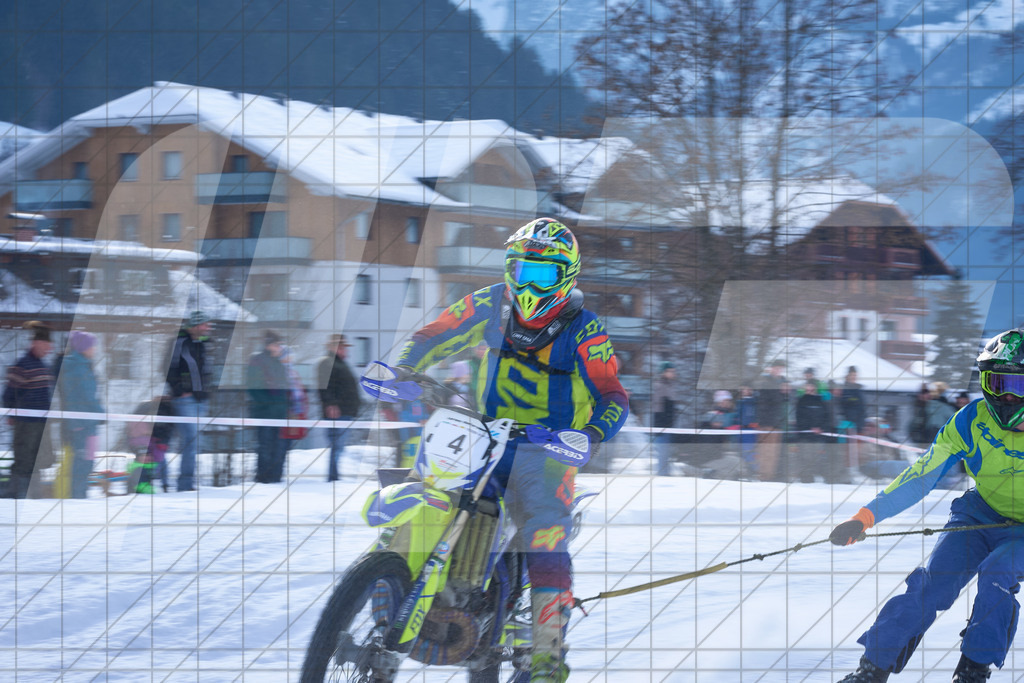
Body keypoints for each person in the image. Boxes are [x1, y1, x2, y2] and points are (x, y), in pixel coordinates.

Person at [393, 217, 628, 682]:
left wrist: (592, 434)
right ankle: (389, 580)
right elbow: (435, 334)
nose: (527, 284)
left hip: (549, 448)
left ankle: (546, 654)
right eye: (521, 270)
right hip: (482, 433)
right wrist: (403, 368)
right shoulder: (490, 304)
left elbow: (613, 396)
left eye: (540, 275)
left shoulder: (585, 330)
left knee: (544, 533)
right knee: (425, 486)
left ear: (565, 278)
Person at [832, 327, 1024, 682]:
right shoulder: (971, 420)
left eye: (1018, 387)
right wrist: (865, 517)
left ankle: (972, 671)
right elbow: (922, 474)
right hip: (979, 515)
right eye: (998, 384)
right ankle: (871, 670)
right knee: (934, 584)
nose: (1007, 398)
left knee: (997, 573)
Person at [3, 321, 55, 498]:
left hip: (40, 423)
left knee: (37, 461)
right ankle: (18, 497)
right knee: (24, 461)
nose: (48, 349)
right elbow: (9, 394)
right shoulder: (22, 365)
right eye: (46, 345)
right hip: (25, 424)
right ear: (36, 343)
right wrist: (11, 413)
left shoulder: (44, 366)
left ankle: (34, 497)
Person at [166, 311, 212, 492]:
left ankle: (185, 482)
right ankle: (185, 485)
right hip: (185, 401)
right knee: (189, 442)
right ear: (195, 325)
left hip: (201, 400)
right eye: (205, 325)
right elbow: (167, 368)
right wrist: (179, 390)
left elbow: (206, 372)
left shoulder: (204, 345)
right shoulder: (179, 343)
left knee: (193, 443)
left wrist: (207, 392)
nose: (208, 328)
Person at [59, 331, 104, 498]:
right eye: (92, 345)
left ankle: (80, 495)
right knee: (83, 462)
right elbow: (86, 396)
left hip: (88, 423)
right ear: (84, 347)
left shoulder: (83, 364)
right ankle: (77, 497)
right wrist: (101, 413)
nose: (94, 349)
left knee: (87, 461)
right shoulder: (77, 367)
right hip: (83, 424)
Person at [317, 333, 361, 481]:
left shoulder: (341, 364)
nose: (344, 350)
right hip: (337, 413)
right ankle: (333, 477)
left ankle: (334, 475)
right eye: (341, 347)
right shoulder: (327, 363)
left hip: (345, 412)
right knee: (337, 446)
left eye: (344, 347)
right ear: (333, 347)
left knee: (339, 447)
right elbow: (324, 387)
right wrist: (330, 404)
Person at [247, 330, 289, 484]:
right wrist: (270, 406)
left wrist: (284, 407)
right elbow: (253, 388)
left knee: (278, 447)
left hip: (279, 414)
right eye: (278, 344)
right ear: (270, 345)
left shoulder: (279, 364)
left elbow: (284, 388)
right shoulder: (257, 361)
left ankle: (275, 477)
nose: (280, 348)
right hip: (264, 413)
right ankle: (263, 479)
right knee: (265, 446)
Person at [277, 345, 310, 480]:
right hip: (285, 413)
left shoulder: (292, 372)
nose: (291, 359)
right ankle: (276, 474)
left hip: (294, 413)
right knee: (281, 444)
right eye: (288, 356)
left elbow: (299, 392)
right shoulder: (280, 372)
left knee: (286, 445)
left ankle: (279, 473)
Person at [754, 359, 788, 481]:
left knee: (774, 452)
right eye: (777, 368)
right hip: (767, 422)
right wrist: (780, 392)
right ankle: (763, 475)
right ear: (772, 369)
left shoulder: (784, 382)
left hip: (778, 422)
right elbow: (765, 401)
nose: (778, 371)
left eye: (781, 368)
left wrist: (785, 393)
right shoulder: (766, 382)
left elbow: (788, 400)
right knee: (765, 451)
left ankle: (770, 475)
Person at [793, 380, 829, 482]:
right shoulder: (801, 400)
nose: (809, 389)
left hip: (817, 436)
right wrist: (810, 427)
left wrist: (821, 428)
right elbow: (799, 417)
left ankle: (812, 476)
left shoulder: (821, 401)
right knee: (805, 457)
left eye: (811, 387)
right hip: (805, 435)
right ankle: (806, 478)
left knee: (815, 457)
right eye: (807, 387)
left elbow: (826, 416)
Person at [651, 361, 678, 476]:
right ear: (664, 372)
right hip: (662, 426)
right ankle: (663, 475)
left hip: (668, 425)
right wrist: (661, 426)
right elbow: (657, 407)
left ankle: (665, 474)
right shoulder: (660, 386)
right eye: (671, 371)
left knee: (667, 453)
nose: (673, 374)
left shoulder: (670, 386)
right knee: (662, 453)